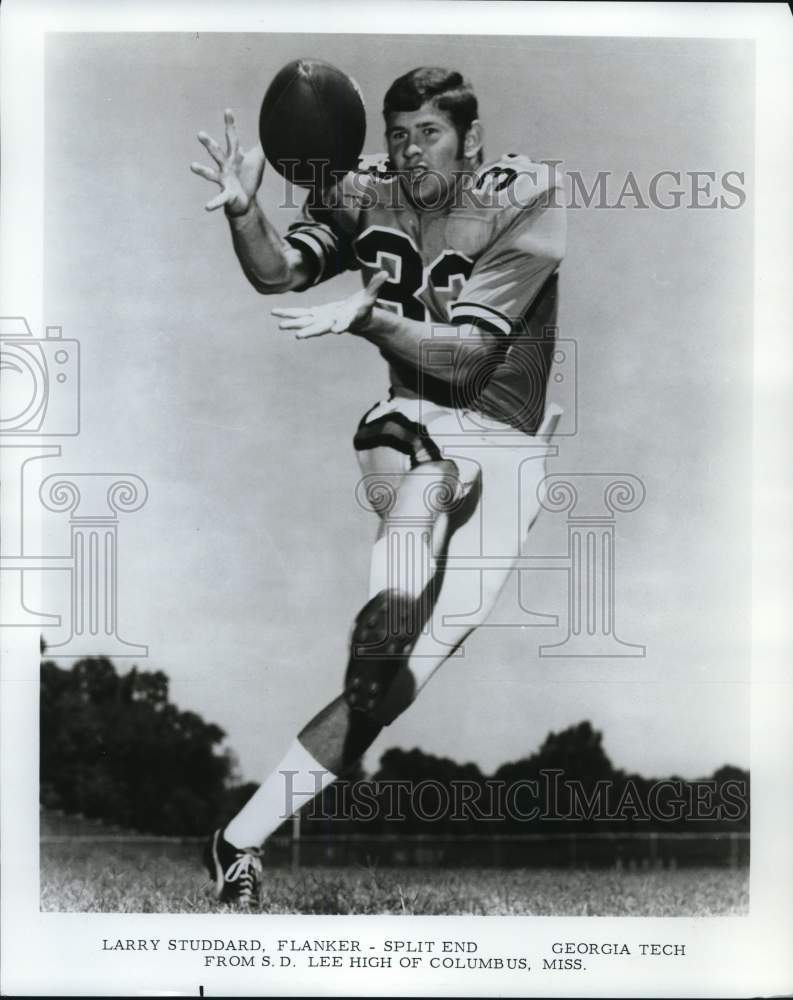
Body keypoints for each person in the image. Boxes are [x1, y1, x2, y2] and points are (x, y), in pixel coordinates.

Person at [191, 66, 565, 906]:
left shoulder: (526, 197)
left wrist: (373, 318)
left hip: (508, 442)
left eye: (425, 133)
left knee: (384, 691)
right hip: (415, 419)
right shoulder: (369, 193)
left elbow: (469, 354)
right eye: (394, 134)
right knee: (419, 466)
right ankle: (396, 577)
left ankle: (235, 840)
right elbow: (280, 272)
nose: (406, 151)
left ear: (470, 140)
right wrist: (246, 211)